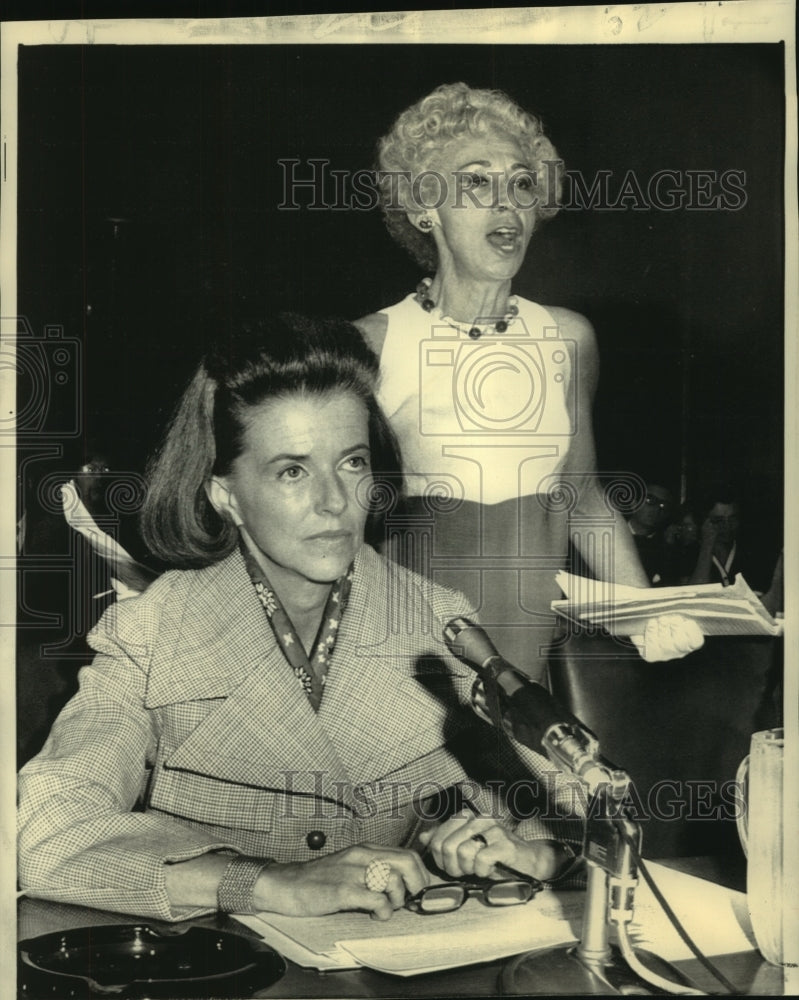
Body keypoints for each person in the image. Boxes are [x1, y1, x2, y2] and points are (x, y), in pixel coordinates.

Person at [18, 315, 585, 924]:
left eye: (352, 463)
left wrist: (529, 853)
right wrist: (263, 883)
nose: (335, 502)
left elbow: (576, 814)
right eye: (292, 471)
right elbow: (49, 836)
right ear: (225, 495)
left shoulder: (439, 626)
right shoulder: (153, 632)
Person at [357, 83, 702, 677]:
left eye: (521, 184)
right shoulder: (370, 344)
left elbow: (586, 502)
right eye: (476, 181)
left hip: (534, 672)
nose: (507, 205)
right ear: (421, 206)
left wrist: (649, 612)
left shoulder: (568, 339)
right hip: (409, 674)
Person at [626, 483, 677, 586]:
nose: (657, 509)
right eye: (650, 500)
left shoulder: (665, 547)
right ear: (633, 503)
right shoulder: (611, 535)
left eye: (663, 505)